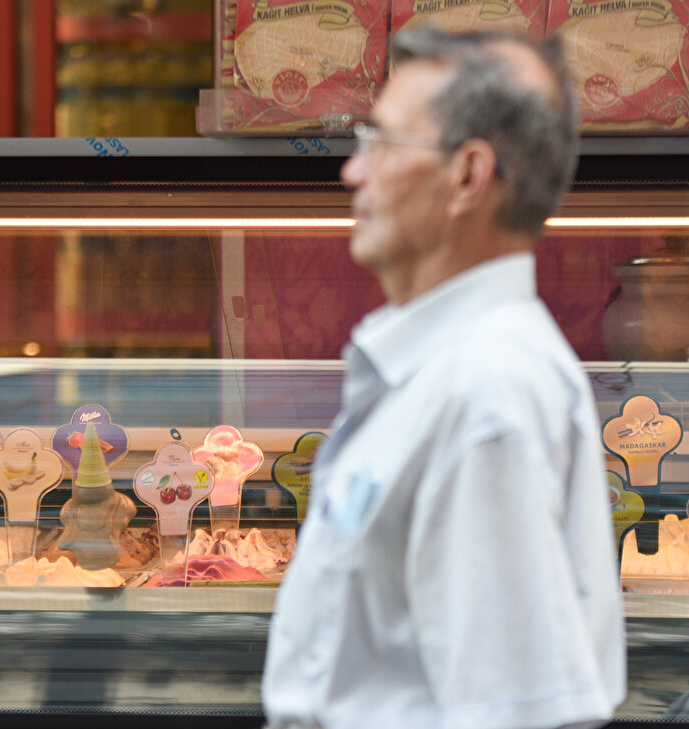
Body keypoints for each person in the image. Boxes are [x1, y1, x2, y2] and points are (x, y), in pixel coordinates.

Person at [262, 28, 627, 729]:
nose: (352, 173)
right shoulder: (450, 371)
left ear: (467, 176)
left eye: (383, 144)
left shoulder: (482, 394)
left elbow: (510, 715)